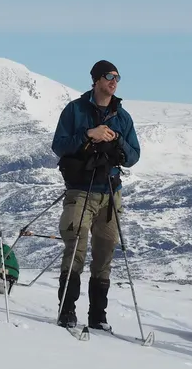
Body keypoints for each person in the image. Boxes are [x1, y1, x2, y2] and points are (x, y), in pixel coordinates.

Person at [51, 60, 140, 330]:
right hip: (80, 190)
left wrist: (116, 141)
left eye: (117, 78)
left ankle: (97, 317)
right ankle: (66, 311)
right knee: (75, 249)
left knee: (104, 255)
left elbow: (133, 156)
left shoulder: (122, 117)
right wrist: (89, 134)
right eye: (109, 77)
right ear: (96, 80)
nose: (114, 82)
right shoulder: (75, 110)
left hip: (110, 193)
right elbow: (59, 145)